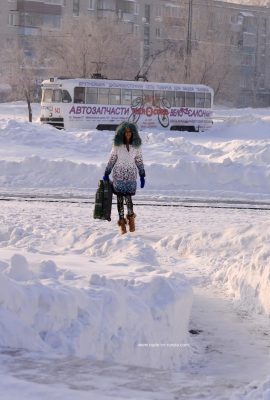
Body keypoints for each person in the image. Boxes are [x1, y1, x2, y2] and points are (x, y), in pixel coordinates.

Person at [103, 122, 145, 234]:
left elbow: (139, 161)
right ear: (122, 133)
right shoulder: (117, 146)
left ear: (133, 133)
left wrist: (142, 175)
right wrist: (107, 172)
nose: (128, 134)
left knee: (129, 198)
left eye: (130, 132)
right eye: (126, 132)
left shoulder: (136, 147)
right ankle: (122, 223)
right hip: (119, 175)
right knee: (120, 199)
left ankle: (131, 219)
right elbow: (112, 159)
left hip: (131, 175)